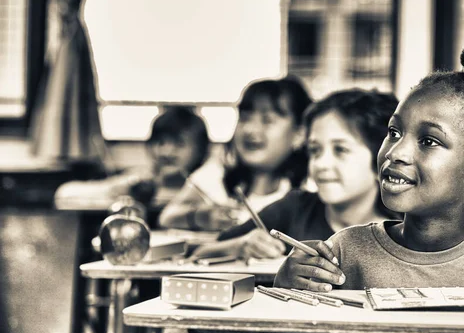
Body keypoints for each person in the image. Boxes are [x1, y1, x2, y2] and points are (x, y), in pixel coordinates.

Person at [274, 38, 464, 291]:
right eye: (394, 133)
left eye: (429, 141)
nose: (396, 152)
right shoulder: (343, 253)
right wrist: (286, 286)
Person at [185, 89, 402, 261]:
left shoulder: (405, 227)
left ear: (381, 158)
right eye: (315, 150)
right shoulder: (293, 209)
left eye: (340, 150)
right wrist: (240, 246)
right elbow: (199, 252)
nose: (321, 163)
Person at [158, 75, 312, 231]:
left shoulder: (310, 187)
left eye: (267, 120)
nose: (250, 130)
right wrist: (200, 217)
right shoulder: (218, 175)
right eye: (245, 118)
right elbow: (167, 217)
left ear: (299, 134)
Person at [54, 106, 210, 209]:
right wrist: (120, 188)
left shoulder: (210, 185)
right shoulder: (139, 182)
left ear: (201, 149)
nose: (166, 152)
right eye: (160, 142)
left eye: (179, 144)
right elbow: (64, 193)